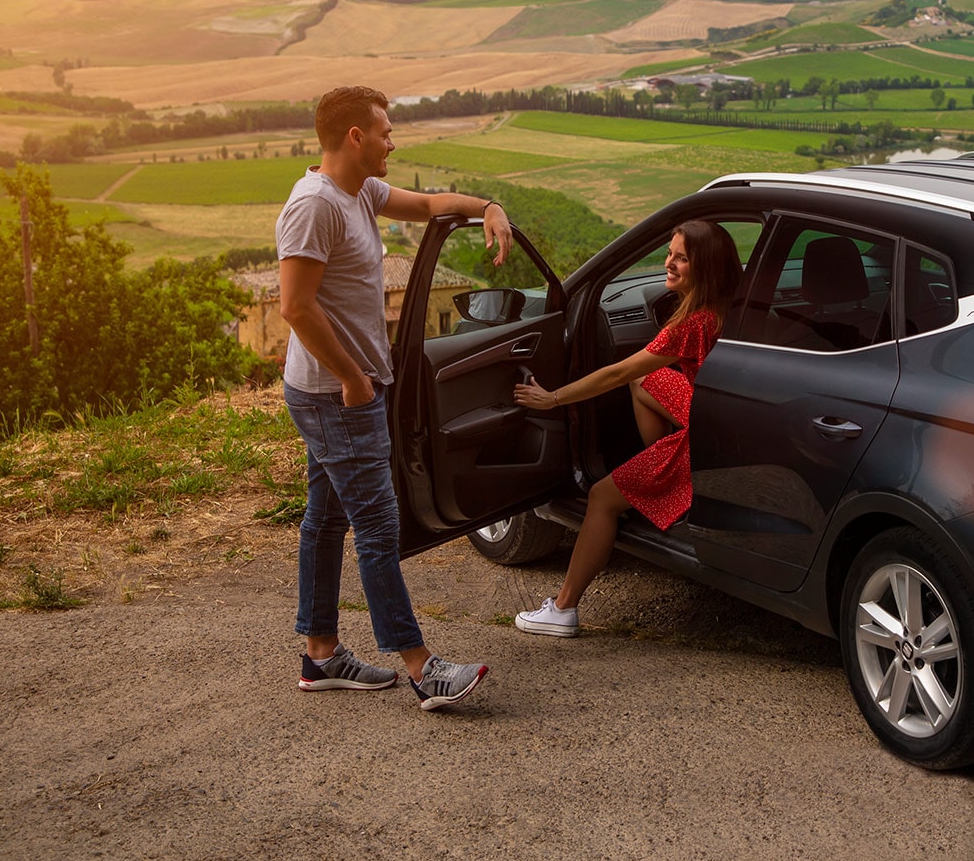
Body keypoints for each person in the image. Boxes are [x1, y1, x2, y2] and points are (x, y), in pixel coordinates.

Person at [278, 85, 515, 710]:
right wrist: (355, 378)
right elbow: (295, 307)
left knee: (326, 519)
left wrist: (488, 205)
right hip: (337, 395)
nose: (392, 140)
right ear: (355, 136)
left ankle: (321, 655)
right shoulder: (314, 205)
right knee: (378, 526)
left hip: (342, 390)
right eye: (385, 131)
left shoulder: (362, 192)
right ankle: (420, 668)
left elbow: (432, 203)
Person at [510, 219, 740, 637]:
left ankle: (563, 610)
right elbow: (639, 377)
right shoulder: (729, 308)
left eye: (682, 258)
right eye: (669, 253)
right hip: (723, 418)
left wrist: (553, 398)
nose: (669, 263)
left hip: (704, 440)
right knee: (647, 380)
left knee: (601, 497)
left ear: (704, 267)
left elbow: (615, 373)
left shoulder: (691, 326)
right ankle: (663, 485)